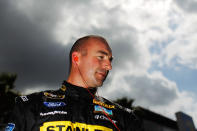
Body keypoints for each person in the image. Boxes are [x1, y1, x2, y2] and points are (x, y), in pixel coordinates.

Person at [5, 35, 142, 131]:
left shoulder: (124, 118)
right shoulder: (30, 106)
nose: (108, 66)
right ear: (76, 58)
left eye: (110, 60)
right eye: (101, 57)